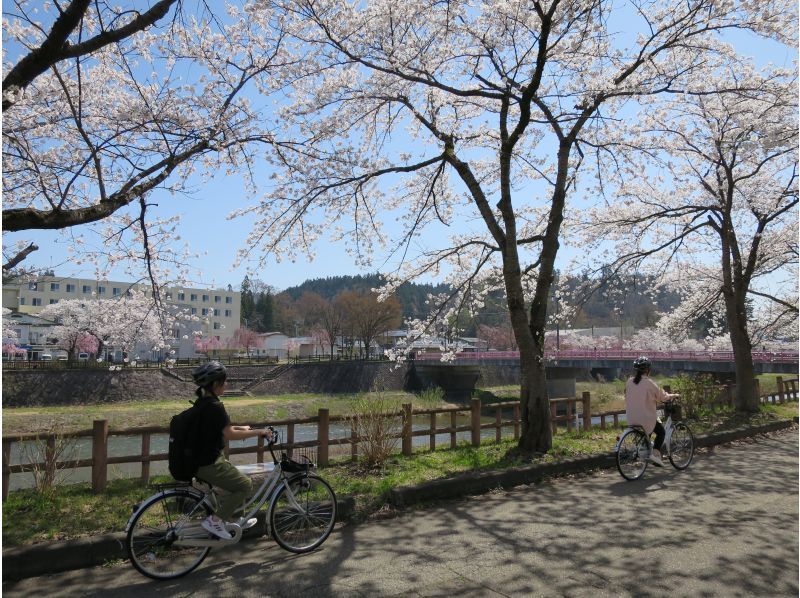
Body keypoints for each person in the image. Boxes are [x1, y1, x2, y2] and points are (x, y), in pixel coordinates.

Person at [191, 361, 272, 539]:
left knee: (237, 478)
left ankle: (236, 520)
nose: (226, 385)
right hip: (209, 462)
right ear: (215, 384)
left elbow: (220, 429)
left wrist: (241, 428)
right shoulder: (216, 406)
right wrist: (260, 432)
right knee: (245, 485)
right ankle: (215, 521)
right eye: (223, 381)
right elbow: (228, 435)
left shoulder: (202, 403)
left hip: (198, 459)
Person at [624, 356, 677, 467]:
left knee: (647, 431)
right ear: (648, 370)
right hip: (645, 418)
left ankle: (646, 448)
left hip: (631, 418)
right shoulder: (649, 383)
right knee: (661, 432)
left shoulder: (629, 382)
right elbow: (662, 397)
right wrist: (673, 395)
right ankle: (655, 454)